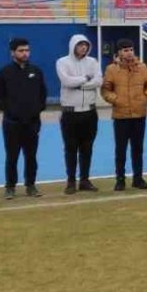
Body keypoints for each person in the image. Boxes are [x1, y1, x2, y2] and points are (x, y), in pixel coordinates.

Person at [0, 37, 47, 200]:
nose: (25, 54)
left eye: (27, 50)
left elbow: (42, 94)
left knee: (31, 156)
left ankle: (30, 185)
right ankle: (10, 187)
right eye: (21, 51)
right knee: (12, 156)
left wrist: (36, 110)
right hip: (12, 123)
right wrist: (11, 112)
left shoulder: (36, 71)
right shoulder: (4, 73)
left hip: (32, 123)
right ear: (12, 53)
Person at [101, 39, 147, 191]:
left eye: (130, 49)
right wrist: (116, 100)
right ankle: (120, 180)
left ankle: (138, 178)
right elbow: (105, 90)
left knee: (138, 149)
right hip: (121, 116)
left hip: (139, 114)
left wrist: (145, 97)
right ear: (119, 53)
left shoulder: (142, 67)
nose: (129, 53)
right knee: (121, 149)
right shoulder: (111, 69)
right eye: (125, 50)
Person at [55, 34, 102, 194]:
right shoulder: (62, 62)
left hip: (89, 112)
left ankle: (84, 179)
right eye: (80, 45)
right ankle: (70, 181)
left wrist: (80, 84)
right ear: (73, 46)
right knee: (70, 148)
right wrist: (85, 78)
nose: (83, 48)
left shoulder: (93, 62)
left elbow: (98, 81)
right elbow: (67, 82)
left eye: (85, 45)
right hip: (70, 113)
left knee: (87, 148)